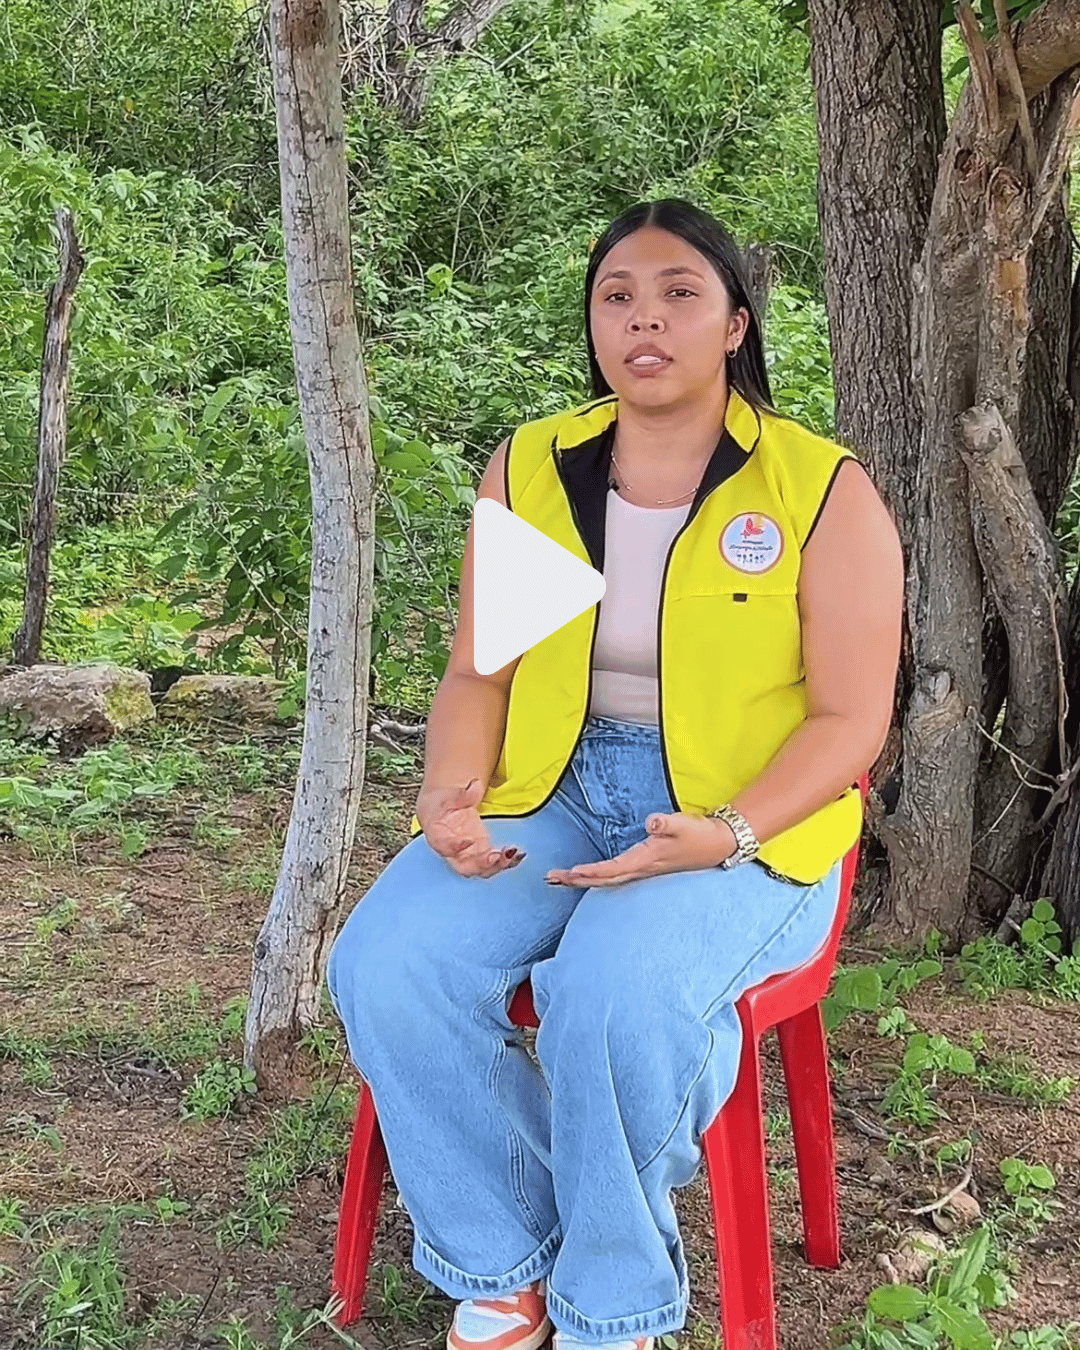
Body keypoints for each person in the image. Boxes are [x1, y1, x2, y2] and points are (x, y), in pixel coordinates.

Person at [327, 198, 904, 1350]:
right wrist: (451, 791)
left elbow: (850, 721)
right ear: (593, 323)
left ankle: (612, 1303)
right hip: (555, 788)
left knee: (611, 998)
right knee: (388, 963)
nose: (646, 319)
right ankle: (504, 1261)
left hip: (746, 817)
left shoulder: (814, 487)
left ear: (734, 324)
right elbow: (481, 673)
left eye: (679, 294)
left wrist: (729, 830)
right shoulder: (540, 468)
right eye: (618, 296)